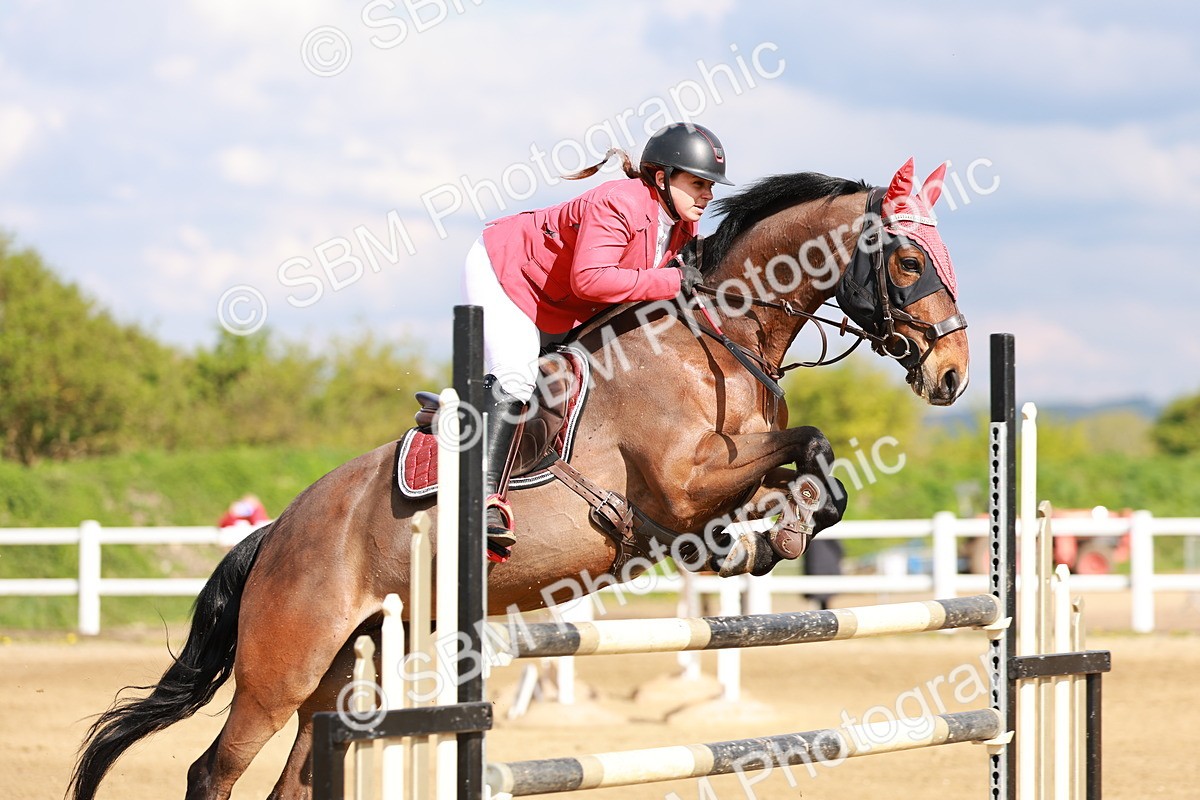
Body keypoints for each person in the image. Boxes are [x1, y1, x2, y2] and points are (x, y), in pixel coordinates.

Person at [463, 122, 732, 558]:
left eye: (710, 186)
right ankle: (482, 502)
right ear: (661, 178)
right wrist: (670, 280)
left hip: (558, 300)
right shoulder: (618, 203)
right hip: (506, 273)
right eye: (698, 183)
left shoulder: (681, 227)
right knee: (515, 376)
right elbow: (591, 279)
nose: (707, 195)